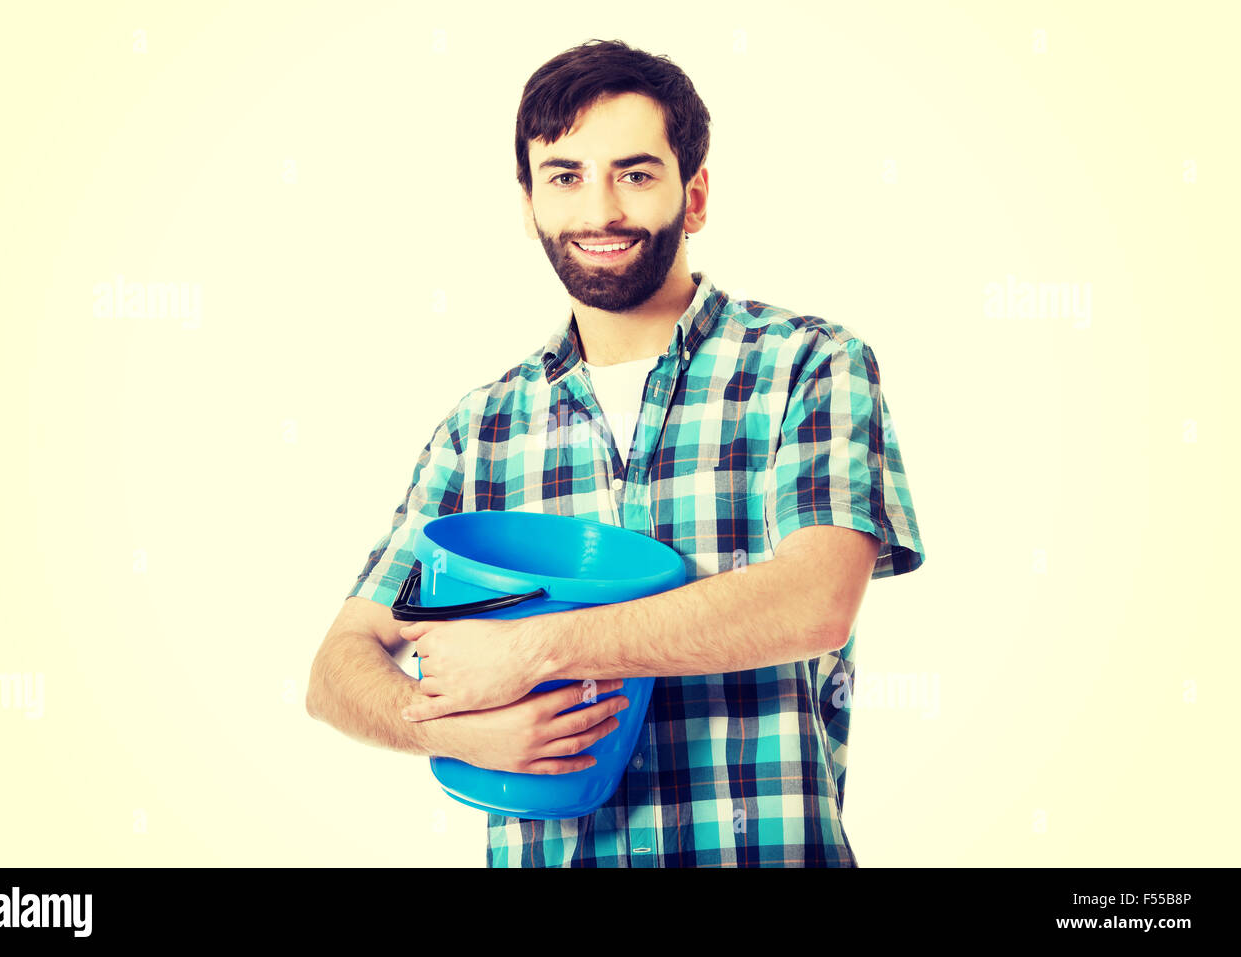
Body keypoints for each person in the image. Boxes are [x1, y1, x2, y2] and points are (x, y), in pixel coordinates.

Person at [307, 38, 926, 867]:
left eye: (634, 174)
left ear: (693, 195)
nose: (599, 210)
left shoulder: (809, 363)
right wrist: (450, 722)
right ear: (526, 204)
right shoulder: (481, 427)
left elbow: (815, 600)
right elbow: (338, 665)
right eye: (565, 176)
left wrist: (537, 647)